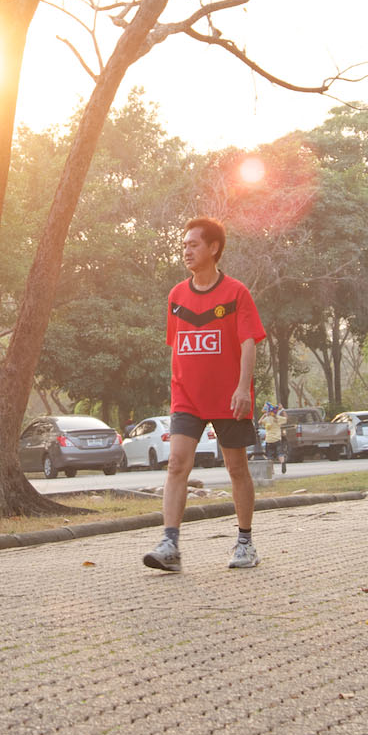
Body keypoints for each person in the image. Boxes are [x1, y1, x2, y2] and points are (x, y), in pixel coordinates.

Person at [144, 216, 267, 572]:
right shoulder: (176, 296)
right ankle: (170, 545)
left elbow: (248, 342)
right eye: (184, 245)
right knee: (176, 464)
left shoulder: (236, 293)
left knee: (236, 468)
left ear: (213, 248)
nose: (186, 250)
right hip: (187, 398)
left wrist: (242, 388)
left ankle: (245, 543)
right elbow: (177, 346)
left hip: (230, 398)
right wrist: (176, 387)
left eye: (193, 244)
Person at [260, 403, 285, 475]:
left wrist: (264, 415)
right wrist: (282, 409)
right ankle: (282, 462)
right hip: (277, 439)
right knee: (280, 453)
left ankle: (270, 472)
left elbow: (259, 422)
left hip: (269, 440)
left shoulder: (267, 419)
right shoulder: (278, 418)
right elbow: (286, 418)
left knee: (269, 456)